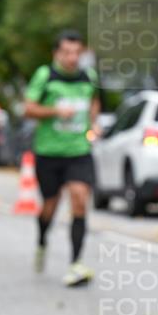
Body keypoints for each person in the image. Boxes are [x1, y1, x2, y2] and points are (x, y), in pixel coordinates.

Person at [24, 29, 101, 287]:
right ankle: (42, 240)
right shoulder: (45, 75)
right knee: (50, 206)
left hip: (78, 151)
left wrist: (94, 123)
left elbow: (94, 102)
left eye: (77, 53)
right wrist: (55, 111)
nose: (72, 58)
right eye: (67, 53)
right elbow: (29, 108)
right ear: (56, 53)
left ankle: (75, 263)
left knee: (79, 199)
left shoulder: (88, 76)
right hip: (48, 153)